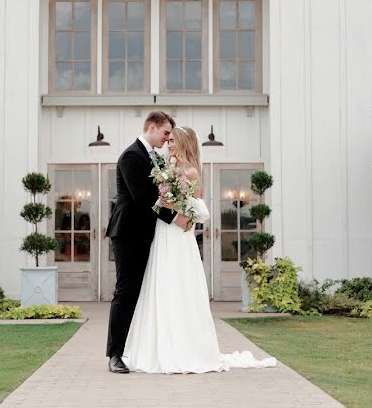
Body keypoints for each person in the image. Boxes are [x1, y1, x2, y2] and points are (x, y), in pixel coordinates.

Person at [123, 126, 277, 374]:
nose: (169, 145)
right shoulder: (165, 170)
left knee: (180, 286)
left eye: (173, 141)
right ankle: (157, 349)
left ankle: (185, 349)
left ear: (183, 142)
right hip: (163, 235)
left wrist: (178, 213)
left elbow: (198, 210)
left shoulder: (191, 172)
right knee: (161, 285)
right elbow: (156, 205)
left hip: (180, 238)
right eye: (168, 140)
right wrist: (164, 206)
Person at [104, 111, 193, 373]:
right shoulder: (132, 156)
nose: (168, 139)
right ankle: (115, 354)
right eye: (165, 133)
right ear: (152, 127)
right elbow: (143, 198)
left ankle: (135, 350)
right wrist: (175, 218)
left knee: (143, 293)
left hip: (146, 234)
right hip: (129, 233)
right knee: (126, 291)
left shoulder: (154, 156)